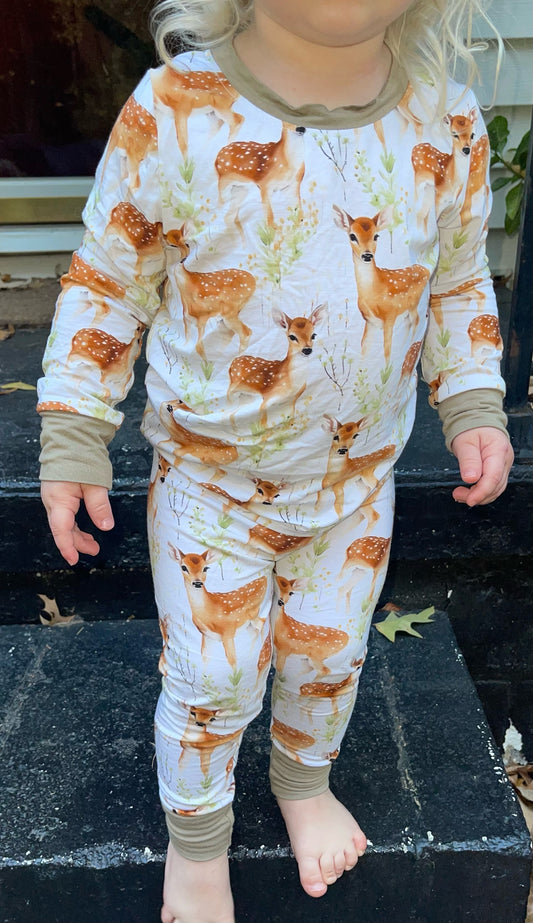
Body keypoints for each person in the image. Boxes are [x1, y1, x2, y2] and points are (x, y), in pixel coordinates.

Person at [38, 1, 515, 920]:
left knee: (326, 657)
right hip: (209, 485)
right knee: (212, 678)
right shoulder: (176, 109)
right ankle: (196, 844)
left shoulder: (444, 120)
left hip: (354, 485)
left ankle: (303, 782)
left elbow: (456, 279)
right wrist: (73, 428)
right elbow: (109, 278)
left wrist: (470, 400)